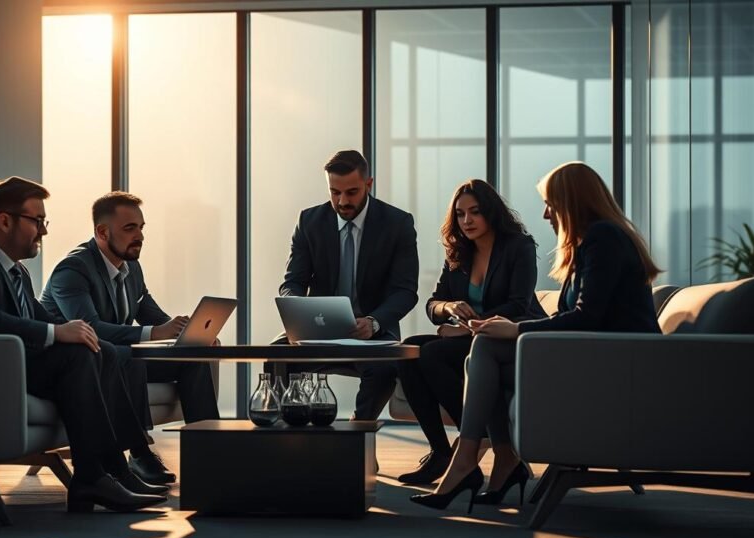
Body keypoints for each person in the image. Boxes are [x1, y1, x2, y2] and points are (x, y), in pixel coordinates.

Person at [410, 161, 662, 511]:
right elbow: (576, 316)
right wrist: (454, 311)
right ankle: (492, 459)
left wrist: (514, 328)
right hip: (595, 355)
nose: (546, 215)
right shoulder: (591, 242)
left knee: (481, 348)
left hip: (616, 365)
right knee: (433, 351)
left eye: (551, 204)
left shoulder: (603, 239)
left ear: (573, 202)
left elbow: (586, 317)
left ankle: (469, 459)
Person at [0, 176, 169, 513]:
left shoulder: (17, 272)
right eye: (36, 221)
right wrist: (57, 334)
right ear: (5, 220)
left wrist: (76, 330)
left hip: (11, 365)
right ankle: (93, 478)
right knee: (77, 357)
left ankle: (114, 471)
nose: (44, 231)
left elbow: (45, 321)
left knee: (105, 351)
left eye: (44, 221)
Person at [40, 191, 219, 483]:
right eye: (129, 228)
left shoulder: (131, 266)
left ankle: (210, 451)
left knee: (192, 357)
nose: (140, 236)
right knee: (130, 356)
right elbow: (91, 328)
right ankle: (139, 453)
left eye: (141, 227)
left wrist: (188, 332)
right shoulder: (72, 270)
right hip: (85, 363)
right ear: (101, 232)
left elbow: (153, 316)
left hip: (119, 358)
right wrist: (154, 333)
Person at [395, 179, 546, 485]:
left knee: (433, 353)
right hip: (471, 340)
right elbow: (432, 303)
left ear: (491, 212)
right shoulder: (458, 253)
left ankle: (472, 447)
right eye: (461, 214)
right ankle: (442, 451)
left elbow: (518, 305)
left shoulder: (519, 246)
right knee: (408, 350)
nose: (467, 221)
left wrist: (465, 331)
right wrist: (449, 308)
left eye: (475, 212)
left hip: (507, 339)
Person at [273, 149, 419, 420]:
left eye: (351, 192)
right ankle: (288, 437)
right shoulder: (309, 222)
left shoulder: (397, 224)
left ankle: (359, 432)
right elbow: (292, 282)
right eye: (334, 192)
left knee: (385, 368)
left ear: (369, 184)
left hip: (372, 332)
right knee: (275, 356)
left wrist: (374, 321)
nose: (342, 201)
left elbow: (406, 291)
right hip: (317, 329)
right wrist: (299, 313)